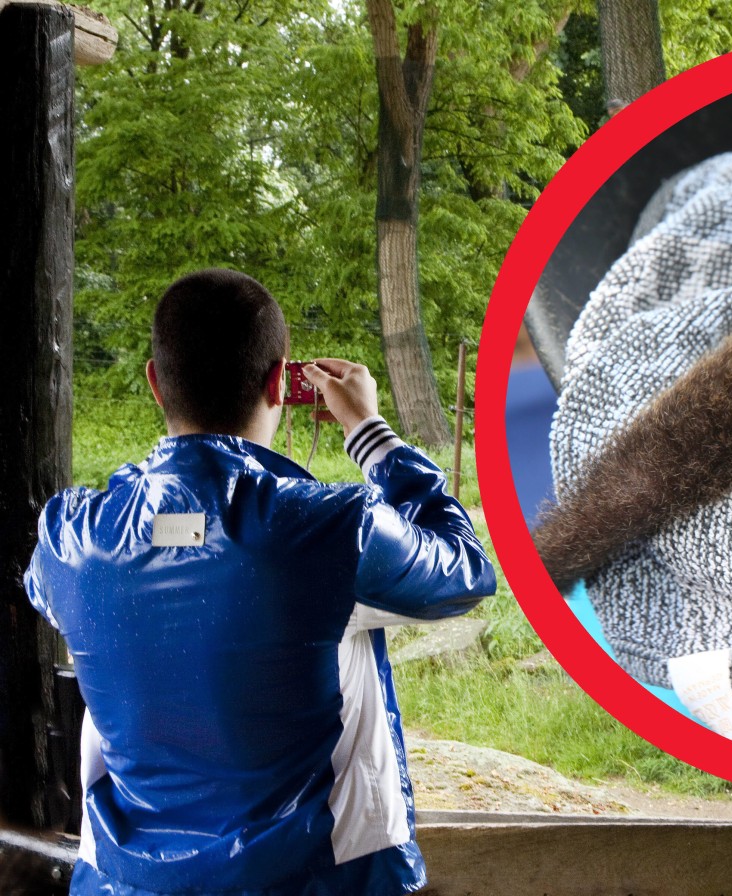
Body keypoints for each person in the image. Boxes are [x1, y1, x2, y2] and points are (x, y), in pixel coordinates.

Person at [24, 268, 496, 895]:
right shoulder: (330, 531)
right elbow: (465, 569)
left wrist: (153, 500)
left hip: (120, 882)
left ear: (155, 383)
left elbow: (62, 583)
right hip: (316, 881)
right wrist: (370, 430)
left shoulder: (71, 537)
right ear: (280, 382)